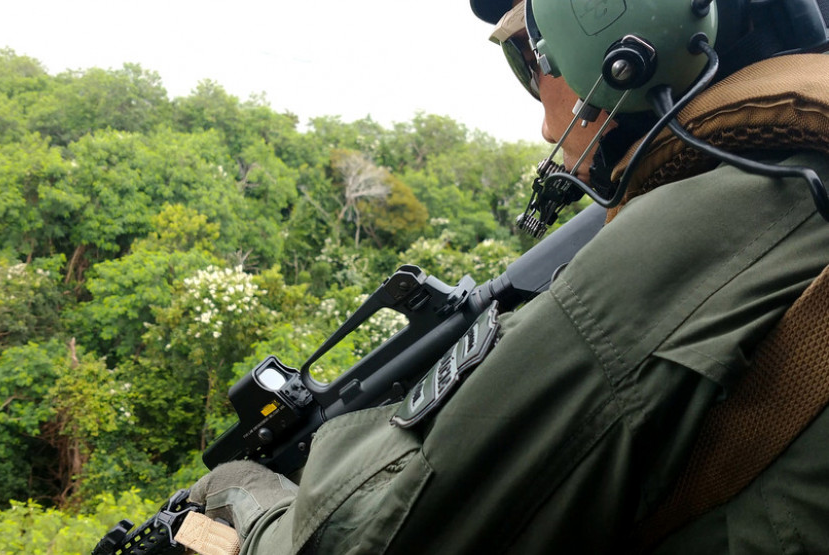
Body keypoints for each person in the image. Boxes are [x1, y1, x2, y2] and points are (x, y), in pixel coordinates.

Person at [186, 1, 829, 552]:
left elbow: (361, 538)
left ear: (623, 44)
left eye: (530, 58)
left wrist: (242, 495)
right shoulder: (799, 182)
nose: (549, 122)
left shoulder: (704, 229)